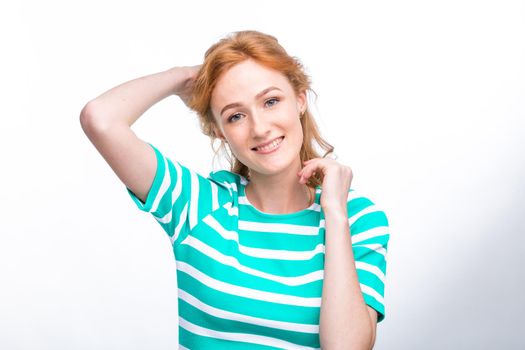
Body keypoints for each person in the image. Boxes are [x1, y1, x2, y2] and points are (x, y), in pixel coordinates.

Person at [80, 30, 390, 349]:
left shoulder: (359, 219)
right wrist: (183, 78)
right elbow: (100, 118)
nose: (259, 128)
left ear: (300, 99)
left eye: (271, 101)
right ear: (218, 130)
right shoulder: (199, 205)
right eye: (236, 115)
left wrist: (335, 213)